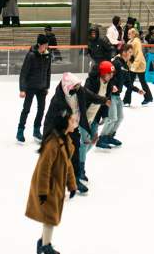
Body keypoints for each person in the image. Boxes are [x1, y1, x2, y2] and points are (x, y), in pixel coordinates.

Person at [43, 73, 110, 195]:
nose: (78, 88)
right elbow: (51, 120)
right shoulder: (57, 100)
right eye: (75, 86)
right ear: (67, 87)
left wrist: (104, 100)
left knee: (75, 154)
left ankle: (75, 180)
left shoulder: (79, 90)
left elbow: (92, 96)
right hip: (58, 131)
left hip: (73, 128)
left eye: (78, 85)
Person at [25, 108, 77, 254]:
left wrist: (72, 185)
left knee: (51, 218)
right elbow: (43, 169)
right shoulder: (52, 144)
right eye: (72, 121)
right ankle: (45, 247)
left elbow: (67, 165)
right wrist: (42, 192)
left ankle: (43, 243)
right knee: (50, 218)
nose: (75, 123)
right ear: (64, 124)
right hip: (49, 188)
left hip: (56, 186)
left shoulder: (65, 140)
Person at [98, 44, 142, 148]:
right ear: (124, 52)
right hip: (111, 95)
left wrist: (137, 90)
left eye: (131, 53)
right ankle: (101, 138)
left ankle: (109, 136)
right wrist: (112, 85)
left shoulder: (125, 66)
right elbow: (107, 77)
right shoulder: (116, 62)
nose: (130, 55)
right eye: (129, 52)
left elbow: (128, 82)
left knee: (120, 118)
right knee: (112, 117)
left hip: (117, 96)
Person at [17, 35, 52, 142]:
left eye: (47, 45)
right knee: (26, 109)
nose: (46, 47)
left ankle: (36, 130)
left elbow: (48, 72)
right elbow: (23, 73)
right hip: (30, 87)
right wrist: (22, 89)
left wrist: (47, 86)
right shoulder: (31, 55)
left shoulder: (47, 55)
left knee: (41, 109)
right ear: (39, 44)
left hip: (42, 88)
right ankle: (20, 130)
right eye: (45, 45)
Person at [84, 61, 115, 156]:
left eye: (112, 74)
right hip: (84, 115)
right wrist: (103, 100)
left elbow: (107, 101)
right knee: (83, 141)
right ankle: (79, 160)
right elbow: (88, 96)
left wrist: (105, 115)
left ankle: (82, 157)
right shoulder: (92, 81)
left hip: (95, 116)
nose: (111, 76)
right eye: (109, 73)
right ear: (103, 73)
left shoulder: (109, 84)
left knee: (93, 139)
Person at [123, 27, 153, 106]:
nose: (128, 34)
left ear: (134, 34)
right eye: (128, 33)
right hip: (133, 65)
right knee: (132, 82)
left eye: (130, 33)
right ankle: (128, 100)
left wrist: (134, 65)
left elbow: (139, 54)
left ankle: (127, 100)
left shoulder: (136, 42)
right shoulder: (130, 41)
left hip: (138, 65)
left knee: (140, 82)